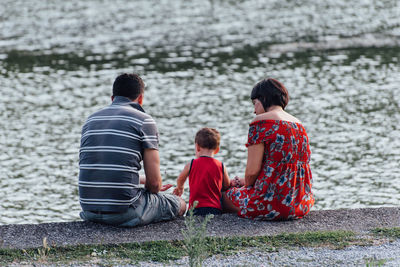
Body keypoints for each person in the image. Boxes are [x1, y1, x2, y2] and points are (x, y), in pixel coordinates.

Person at [79, 73, 186, 227]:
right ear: (140, 99)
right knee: (179, 203)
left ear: (112, 98)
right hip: (125, 212)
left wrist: (141, 180)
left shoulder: (90, 121)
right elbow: (155, 185)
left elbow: (103, 169)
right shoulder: (144, 120)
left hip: (89, 210)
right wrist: (150, 185)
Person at [222, 78, 314, 220]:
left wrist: (244, 184)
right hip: (300, 203)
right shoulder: (299, 124)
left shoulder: (261, 122)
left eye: (255, 103)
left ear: (264, 98)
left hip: (270, 204)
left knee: (220, 197)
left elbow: (252, 172)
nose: (254, 110)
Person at [173, 128, 233, 216]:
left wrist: (180, 187)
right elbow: (227, 185)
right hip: (215, 209)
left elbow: (180, 178)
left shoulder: (192, 163)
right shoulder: (221, 166)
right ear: (217, 150)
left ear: (197, 147)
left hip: (195, 208)